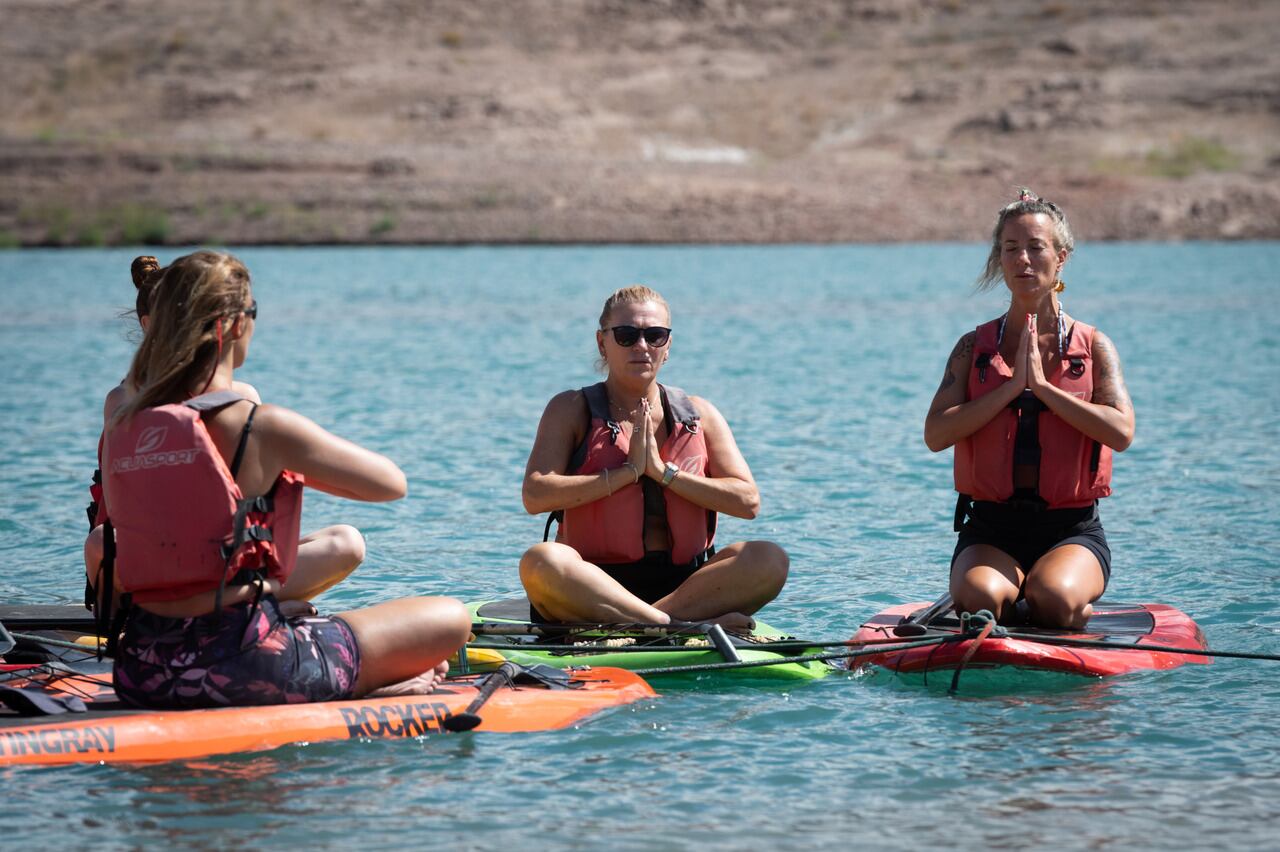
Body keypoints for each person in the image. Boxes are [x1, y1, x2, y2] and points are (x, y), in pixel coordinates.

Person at [100, 250, 469, 708]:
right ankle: (369, 684)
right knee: (448, 618)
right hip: (244, 668)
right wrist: (290, 460)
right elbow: (391, 483)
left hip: (141, 670)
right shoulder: (261, 425)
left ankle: (305, 637)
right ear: (233, 325)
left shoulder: (125, 422)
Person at [84, 256, 364, 620]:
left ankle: (246, 604)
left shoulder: (245, 397)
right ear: (150, 326)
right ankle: (144, 620)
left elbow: (260, 507)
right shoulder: (123, 401)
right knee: (100, 541)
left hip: (223, 564)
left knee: (345, 541)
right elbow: (122, 511)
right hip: (154, 568)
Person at [519, 285, 789, 631]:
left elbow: (747, 502)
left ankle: (649, 623)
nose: (642, 347)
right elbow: (536, 495)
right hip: (591, 588)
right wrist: (627, 473)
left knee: (768, 558)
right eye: (627, 335)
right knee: (541, 562)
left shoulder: (700, 413)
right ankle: (672, 626)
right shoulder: (570, 409)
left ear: (668, 345)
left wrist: (665, 474)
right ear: (603, 342)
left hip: (687, 589)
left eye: (655, 335)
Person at [924, 189, 1135, 629]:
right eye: (1011, 248)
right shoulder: (971, 348)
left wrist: (1042, 387)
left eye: (1035, 247)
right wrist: (1008, 390)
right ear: (999, 260)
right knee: (981, 600)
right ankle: (1012, 595)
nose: (1023, 259)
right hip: (991, 530)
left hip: (1070, 532)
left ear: (1061, 258)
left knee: (1055, 601)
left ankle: (1055, 598)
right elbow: (936, 435)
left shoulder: (1094, 346)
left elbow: (1121, 432)